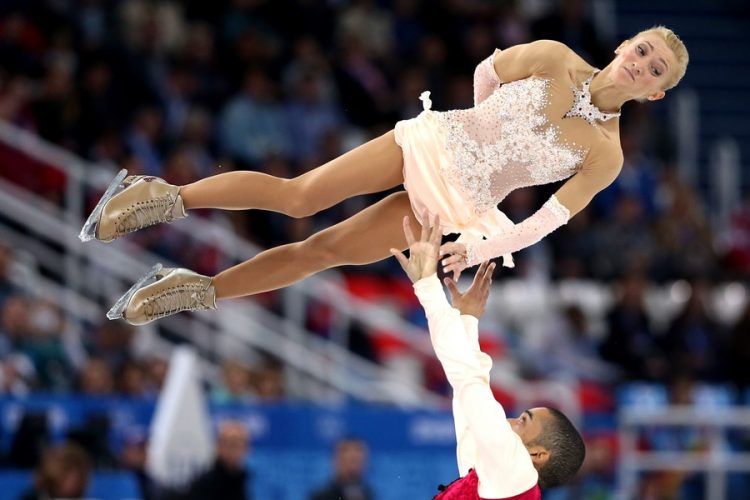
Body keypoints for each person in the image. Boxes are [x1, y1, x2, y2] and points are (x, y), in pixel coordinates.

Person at [80, 27, 688, 325]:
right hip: (430, 144)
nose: (641, 66)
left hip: (457, 207)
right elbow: (488, 69)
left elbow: (546, 220)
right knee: (299, 198)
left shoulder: (607, 154)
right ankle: (161, 196)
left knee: (319, 253)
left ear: (657, 94)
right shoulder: (555, 55)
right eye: (642, 51)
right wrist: (471, 123)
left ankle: (194, 289)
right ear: (624, 45)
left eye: (654, 69)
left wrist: (482, 245)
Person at [390, 213, 585, 497]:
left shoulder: (515, 472)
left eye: (523, 422)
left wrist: (428, 286)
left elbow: (468, 381)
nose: (509, 420)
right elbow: (466, 395)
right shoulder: (501, 477)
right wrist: (467, 323)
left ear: (538, 454)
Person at [308, 437, 374, 500]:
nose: (353, 466)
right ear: (335, 460)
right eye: (349, 460)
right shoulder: (321, 496)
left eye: (357, 461)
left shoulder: (369, 494)